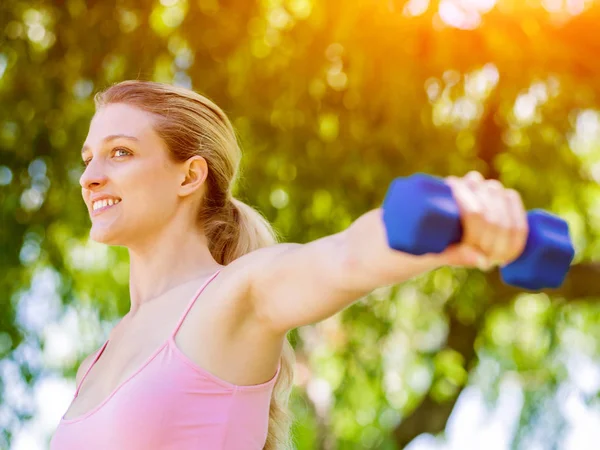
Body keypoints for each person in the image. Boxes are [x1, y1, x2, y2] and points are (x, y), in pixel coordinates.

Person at [49, 80, 528, 450]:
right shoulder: (98, 359)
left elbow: (343, 258)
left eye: (120, 152)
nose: (90, 178)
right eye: (88, 158)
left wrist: (452, 212)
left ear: (190, 176)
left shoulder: (237, 295)